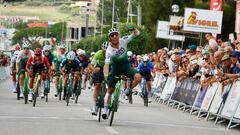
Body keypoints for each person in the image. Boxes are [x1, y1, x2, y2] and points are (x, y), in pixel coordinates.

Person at [102, 27, 141, 119]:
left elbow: (136, 34)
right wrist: (106, 75)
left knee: (138, 77)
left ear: (118, 35)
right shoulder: (109, 50)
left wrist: (134, 29)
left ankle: (127, 91)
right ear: (109, 38)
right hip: (116, 69)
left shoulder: (123, 40)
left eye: (116, 34)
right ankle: (105, 109)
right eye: (112, 35)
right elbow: (106, 65)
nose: (114, 36)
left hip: (127, 67)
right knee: (110, 90)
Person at [89, 42, 109, 115]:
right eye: (104, 51)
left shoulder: (112, 54)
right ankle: (94, 106)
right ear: (102, 50)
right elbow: (91, 65)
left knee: (111, 86)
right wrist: (94, 69)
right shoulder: (98, 54)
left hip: (109, 68)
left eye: (106, 51)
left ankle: (106, 106)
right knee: (97, 85)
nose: (105, 53)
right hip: (99, 68)